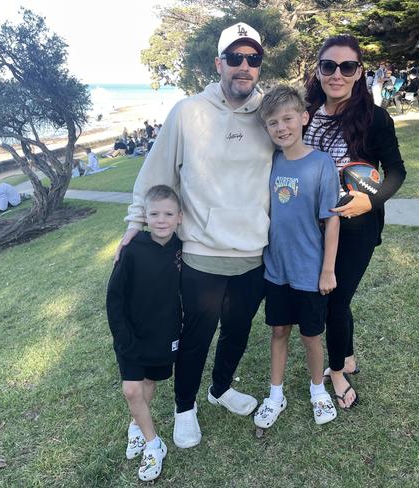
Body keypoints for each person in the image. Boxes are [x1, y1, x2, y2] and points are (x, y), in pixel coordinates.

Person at [114, 21, 274, 449]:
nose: (244, 66)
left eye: (253, 59)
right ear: (219, 63)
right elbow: (156, 173)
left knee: (238, 332)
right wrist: (135, 223)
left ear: (259, 65)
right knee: (196, 337)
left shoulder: (268, 112)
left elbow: (294, 153)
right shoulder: (187, 112)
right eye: (236, 58)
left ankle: (220, 389)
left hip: (254, 253)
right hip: (202, 254)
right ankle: (185, 407)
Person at [304, 34, 407, 409]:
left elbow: (396, 171)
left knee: (335, 299)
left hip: (356, 227)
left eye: (347, 67)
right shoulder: (305, 114)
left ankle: (336, 372)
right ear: (318, 71)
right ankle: (344, 353)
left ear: (359, 72)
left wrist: (371, 201)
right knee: (331, 297)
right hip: (311, 226)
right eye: (329, 66)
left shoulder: (374, 117)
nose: (337, 74)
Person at [252, 85, 340, 430]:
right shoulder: (270, 163)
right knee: (278, 331)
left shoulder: (321, 164)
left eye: (287, 118)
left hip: (310, 270)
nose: (281, 128)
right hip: (276, 270)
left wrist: (328, 269)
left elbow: (331, 219)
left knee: (311, 335)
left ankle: (318, 389)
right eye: (272, 123)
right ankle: (276, 394)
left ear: (304, 118)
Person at [106, 185, 183, 482]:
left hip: (164, 333)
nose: (161, 220)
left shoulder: (182, 247)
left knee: (149, 381)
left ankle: (137, 426)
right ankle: (154, 444)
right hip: (130, 334)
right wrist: (122, 336)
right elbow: (114, 298)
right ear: (144, 217)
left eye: (168, 214)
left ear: (179, 217)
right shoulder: (132, 249)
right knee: (131, 389)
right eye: (154, 214)